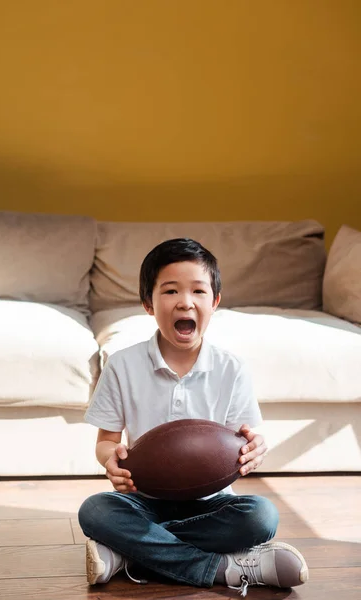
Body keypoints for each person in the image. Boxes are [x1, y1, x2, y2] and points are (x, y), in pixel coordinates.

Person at [78, 238, 308, 595]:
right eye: (170, 291)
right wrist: (114, 461)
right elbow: (106, 443)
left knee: (261, 516)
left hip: (211, 504)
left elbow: (239, 443)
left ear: (214, 302)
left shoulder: (231, 368)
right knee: (95, 511)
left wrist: (254, 449)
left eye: (198, 291)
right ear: (148, 304)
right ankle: (221, 568)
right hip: (144, 500)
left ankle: (129, 554)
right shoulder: (123, 365)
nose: (185, 301)